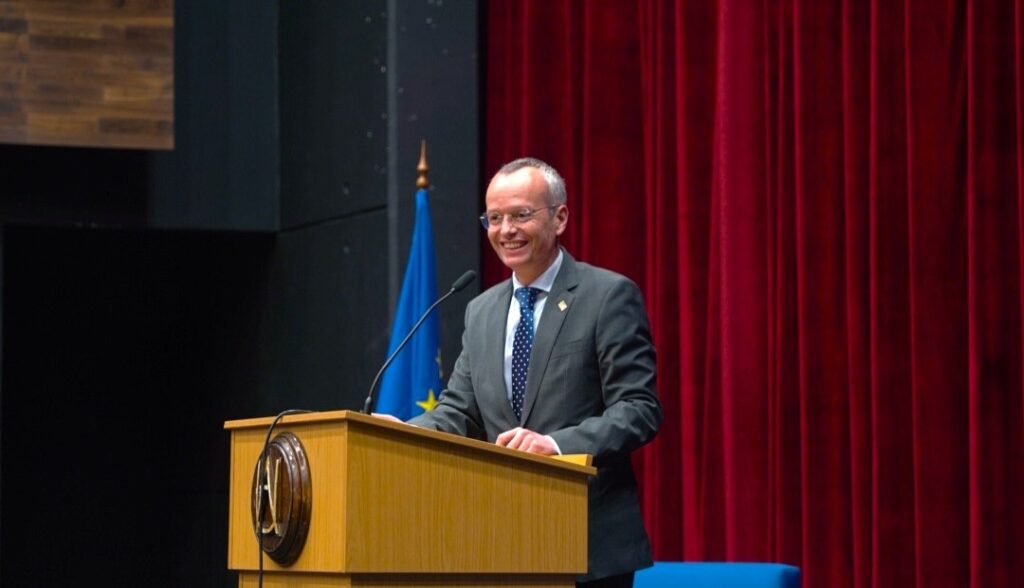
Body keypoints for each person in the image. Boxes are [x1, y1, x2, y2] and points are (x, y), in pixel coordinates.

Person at [392, 157, 662, 587]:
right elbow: (459, 412)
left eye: (521, 215)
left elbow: (639, 410)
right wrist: (401, 431)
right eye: (494, 218)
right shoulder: (481, 310)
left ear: (560, 218)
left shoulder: (607, 296)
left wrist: (554, 445)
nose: (506, 230)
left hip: (588, 544)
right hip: (500, 543)